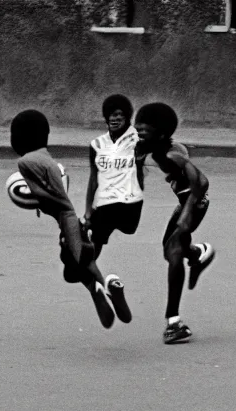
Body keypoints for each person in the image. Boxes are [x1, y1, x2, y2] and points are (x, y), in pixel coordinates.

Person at [10, 109, 130, 328]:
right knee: (72, 269)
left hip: (66, 220)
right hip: (70, 217)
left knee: (83, 260)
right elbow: (60, 183)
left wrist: (37, 198)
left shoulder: (25, 162)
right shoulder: (47, 158)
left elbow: (41, 192)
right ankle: (98, 289)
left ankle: (108, 285)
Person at [133, 103, 216, 344]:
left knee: (174, 252)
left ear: (160, 134)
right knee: (168, 251)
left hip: (194, 205)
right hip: (185, 205)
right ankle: (199, 254)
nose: (138, 136)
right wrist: (137, 161)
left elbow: (202, 183)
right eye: (137, 130)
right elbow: (138, 184)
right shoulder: (155, 148)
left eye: (143, 132)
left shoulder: (172, 154)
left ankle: (174, 323)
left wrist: (186, 216)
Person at [81, 94, 143, 324]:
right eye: (112, 115)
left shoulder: (137, 140)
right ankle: (107, 289)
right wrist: (88, 210)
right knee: (85, 257)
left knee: (81, 256)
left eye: (120, 115)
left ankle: (102, 287)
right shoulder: (97, 145)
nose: (115, 118)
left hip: (127, 206)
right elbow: (93, 178)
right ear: (106, 117)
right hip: (105, 206)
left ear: (127, 118)